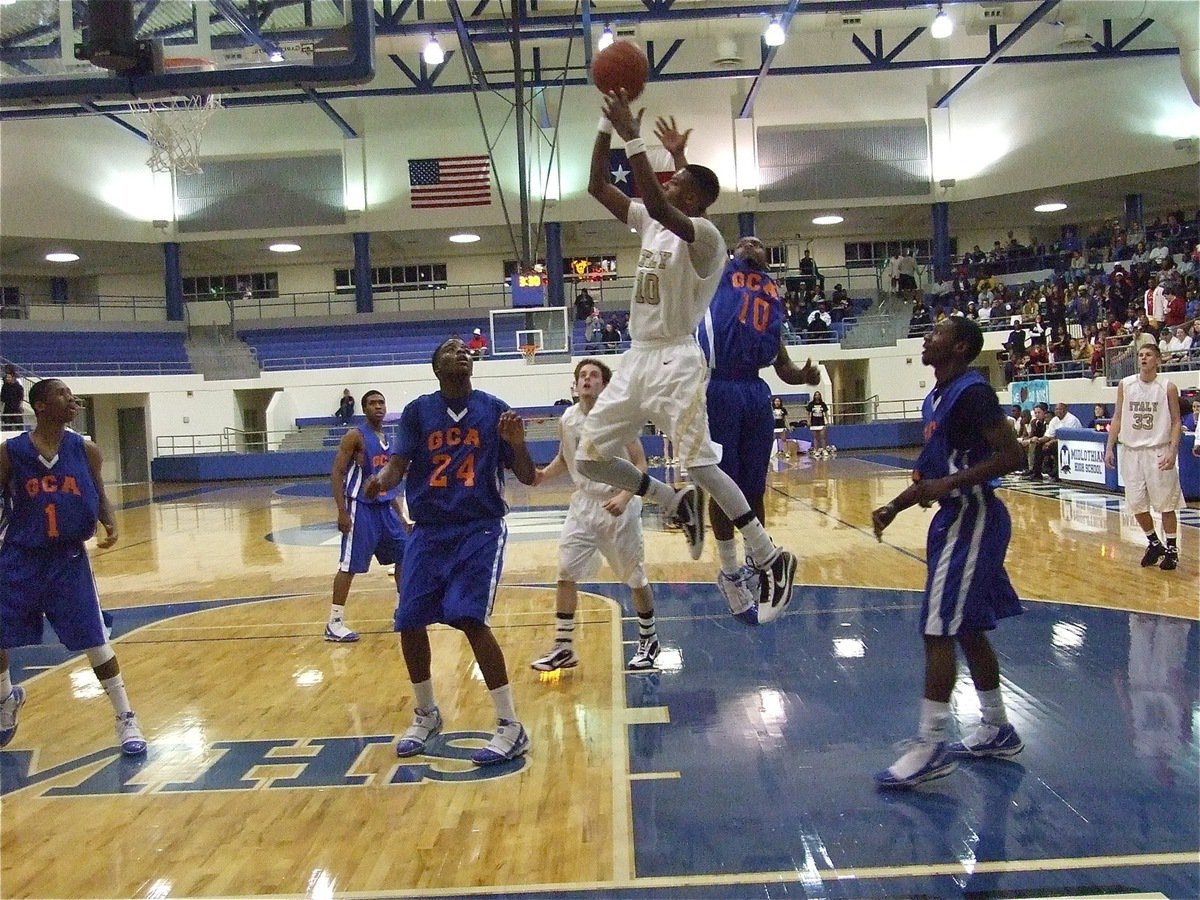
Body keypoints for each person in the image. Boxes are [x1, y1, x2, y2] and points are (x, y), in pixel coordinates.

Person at [580, 95, 797, 615]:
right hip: (636, 357)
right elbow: (597, 187)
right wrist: (604, 128)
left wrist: (633, 132)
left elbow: (660, 202)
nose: (665, 180)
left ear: (693, 198)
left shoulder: (706, 236)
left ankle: (768, 557)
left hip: (677, 359)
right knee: (589, 458)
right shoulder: (653, 222)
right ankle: (672, 501)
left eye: (677, 181)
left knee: (700, 463)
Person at [364, 338, 536, 766]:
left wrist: (516, 443)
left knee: (468, 618)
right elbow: (398, 465)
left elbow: (529, 475)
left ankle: (511, 726)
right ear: (436, 366)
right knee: (409, 620)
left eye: (466, 350)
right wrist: (382, 481)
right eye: (451, 350)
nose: (462, 353)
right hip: (429, 531)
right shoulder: (419, 411)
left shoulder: (495, 409)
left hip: (478, 529)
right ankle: (426, 714)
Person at [870, 318, 1026, 789]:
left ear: (958, 347)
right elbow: (930, 468)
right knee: (969, 628)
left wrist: (949, 485)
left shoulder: (973, 393)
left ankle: (931, 745)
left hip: (973, 516)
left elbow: (1013, 457)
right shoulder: (936, 397)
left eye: (935, 334)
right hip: (952, 518)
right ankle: (997, 727)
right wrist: (895, 505)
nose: (925, 337)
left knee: (937, 628)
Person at [0, 378, 147, 756]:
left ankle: (126, 717)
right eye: (62, 394)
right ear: (41, 406)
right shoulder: (10, 453)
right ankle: (6, 698)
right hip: (20, 556)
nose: (72, 399)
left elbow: (98, 491)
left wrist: (109, 521)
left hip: (68, 559)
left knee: (96, 642)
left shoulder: (86, 450)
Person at [696, 236, 821, 624]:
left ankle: (759, 563)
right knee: (722, 484)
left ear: (768, 260)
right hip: (718, 386)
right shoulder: (717, 273)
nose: (751, 241)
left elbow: (782, 365)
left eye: (758, 241)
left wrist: (803, 376)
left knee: (754, 487)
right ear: (733, 253)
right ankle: (730, 570)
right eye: (743, 240)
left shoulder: (769, 303)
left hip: (755, 390)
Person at [530, 358, 659, 672]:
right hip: (583, 506)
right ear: (575, 385)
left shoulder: (619, 417)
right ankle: (563, 647)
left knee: (634, 577)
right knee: (565, 570)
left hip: (618, 507)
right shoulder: (567, 419)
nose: (587, 379)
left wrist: (626, 495)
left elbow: (640, 465)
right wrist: (543, 475)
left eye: (594, 375)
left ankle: (649, 639)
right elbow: (565, 457)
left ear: (604, 384)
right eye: (582, 375)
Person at [326, 389, 407, 642]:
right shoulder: (355, 436)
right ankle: (334, 623)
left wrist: (402, 518)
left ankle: (402, 609)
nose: (378, 406)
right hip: (360, 508)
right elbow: (337, 473)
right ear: (364, 409)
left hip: (384, 509)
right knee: (349, 566)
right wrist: (341, 511)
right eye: (372, 403)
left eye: (381, 402)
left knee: (404, 553)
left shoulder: (387, 437)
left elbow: (387, 483)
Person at [1105, 343, 1184, 572]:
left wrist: (1173, 450)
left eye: (1148, 355)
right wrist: (1109, 447)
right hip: (1131, 451)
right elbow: (1118, 417)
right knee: (1137, 504)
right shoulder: (1126, 384)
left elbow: (1177, 421)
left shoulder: (1167, 386)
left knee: (1166, 504)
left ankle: (1171, 549)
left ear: (1157, 359)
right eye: (1140, 355)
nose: (1143, 358)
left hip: (1158, 449)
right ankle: (1154, 543)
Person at [806, 391, 832, 457]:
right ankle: (816, 450)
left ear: (820, 396)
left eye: (818, 395)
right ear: (814, 396)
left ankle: (824, 450)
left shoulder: (823, 404)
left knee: (823, 437)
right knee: (815, 437)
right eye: (816, 395)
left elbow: (826, 413)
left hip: (821, 422)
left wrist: (828, 421)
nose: (817, 396)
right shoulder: (811, 404)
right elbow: (808, 413)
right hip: (814, 422)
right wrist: (808, 421)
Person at [1, 364, 23, 430]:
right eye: (7, 377)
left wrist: (20, 405)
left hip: (16, 408)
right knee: (7, 425)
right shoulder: (4, 387)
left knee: (19, 425)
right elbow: (2, 398)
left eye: (9, 377)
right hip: (7, 408)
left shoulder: (18, 386)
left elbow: (20, 397)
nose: (7, 378)